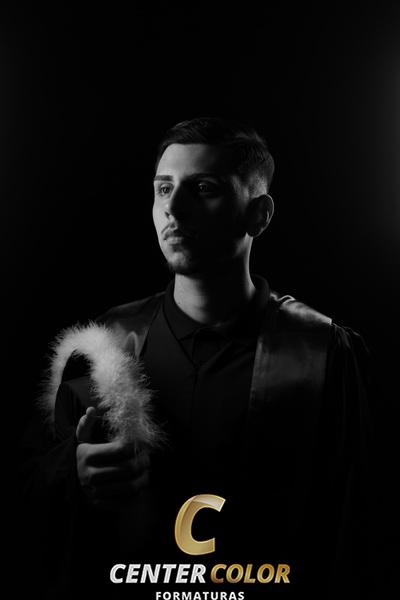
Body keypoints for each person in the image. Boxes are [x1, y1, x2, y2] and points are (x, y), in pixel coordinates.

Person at [21, 117, 373, 599]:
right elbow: (26, 489)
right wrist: (73, 470)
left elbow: (358, 528)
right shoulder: (106, 344)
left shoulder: (320, 351)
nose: (173, 208)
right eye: (163, 189)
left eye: (203, 188)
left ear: (259, 215)